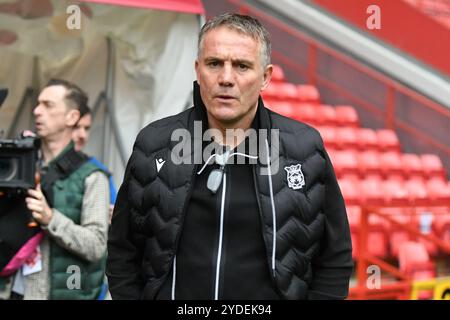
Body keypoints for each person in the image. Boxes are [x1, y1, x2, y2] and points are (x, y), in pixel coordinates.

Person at [106, 13, 353, 300]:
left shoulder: (304, 148)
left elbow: (334, 257)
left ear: (265, 77)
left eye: (242, 66)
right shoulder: (154, 143)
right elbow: (123, 251)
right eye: (214, 64)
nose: (226, 78)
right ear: (198, 70)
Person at [0, 79, 110, 300]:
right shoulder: (14, 166)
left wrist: (50, 219)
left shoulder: (92, 176)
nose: (37, 111)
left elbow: (97, 245)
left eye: (48, 105)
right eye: (38, 104)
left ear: (72, 117)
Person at [72, 104, 118, 221]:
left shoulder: (97, 170)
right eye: (76, 127)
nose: (82, 135)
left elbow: (116, 209)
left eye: (86, 128)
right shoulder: (37, 162)